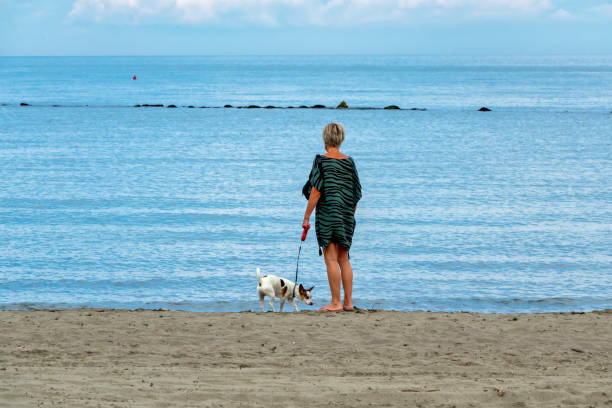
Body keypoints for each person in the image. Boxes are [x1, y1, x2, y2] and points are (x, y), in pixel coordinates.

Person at [302, 123, 362, 312]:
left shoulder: (321, 161)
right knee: (344, 259)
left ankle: (336, 303)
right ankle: (348, 303)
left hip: (328, 214)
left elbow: (316, 191)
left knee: (331, 259)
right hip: (345, 215)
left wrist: (306, 218)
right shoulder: (349, 162)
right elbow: (356, 193)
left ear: (325, 138)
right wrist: (349, 215)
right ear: (341, 139)